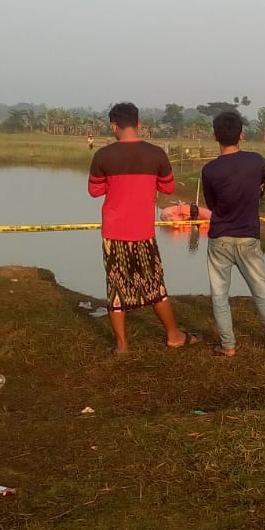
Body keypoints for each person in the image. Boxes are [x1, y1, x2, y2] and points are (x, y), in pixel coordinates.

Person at [88, 102, 198, 353]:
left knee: (115, 286)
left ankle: (122, 345)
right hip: (143, 233)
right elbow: (168, 187)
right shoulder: (156, 154)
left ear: (113, 126)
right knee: (154, 283)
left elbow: (94, 190)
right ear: (139, 124)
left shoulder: (103, 156)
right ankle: (173, 335)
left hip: (114, 234)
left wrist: (114, 185)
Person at [200, 111, 265, 357]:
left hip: (220, 238)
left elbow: (213, 205)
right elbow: (262, 182)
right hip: (249, 237)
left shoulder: (210, 170)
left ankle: (228, 346)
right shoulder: (257, 160)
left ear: (214, 135)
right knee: (260, 289)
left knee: (219, 294)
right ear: (242, 134)